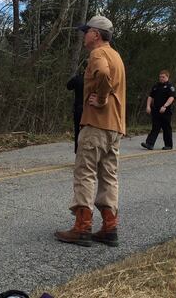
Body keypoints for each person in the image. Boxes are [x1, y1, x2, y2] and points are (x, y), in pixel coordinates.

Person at [55, 15, 125, 247]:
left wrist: (102, 98)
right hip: (115, 127)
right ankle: (109, 227)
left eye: (87, 31)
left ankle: (82, 227)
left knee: (84, 172)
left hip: (96, 124)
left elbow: (103, 74)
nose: (84, 35)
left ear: (96, 34)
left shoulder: (98, 54)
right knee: (109, 176)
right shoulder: (117, 56)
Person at [141, 70, 176, 151]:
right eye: (160, 77)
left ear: (167, 77)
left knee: (166, 128)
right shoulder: (156, 86)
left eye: (163, 77)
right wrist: (148, 106)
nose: (161, 78)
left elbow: (171, 97)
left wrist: (165, 106)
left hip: (165, 111)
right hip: (156, 110)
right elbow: (150, 96)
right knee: (155, 127)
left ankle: (168, 145)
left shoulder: (170, 87)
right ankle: (149, 144)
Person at [65, 59, 87, 154]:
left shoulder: (78, 79)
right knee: (89, 132)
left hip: (79, 108)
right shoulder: (95, 80)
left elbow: (69, 86)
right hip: (91, 109)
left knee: (78, 131)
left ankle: (78, 152)